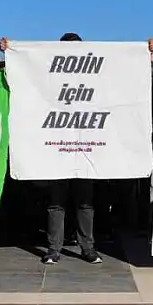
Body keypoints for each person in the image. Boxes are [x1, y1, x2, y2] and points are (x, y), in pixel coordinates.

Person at [42, 33, 101, 264]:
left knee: (85, 203)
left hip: (85, 150)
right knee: (56, 203)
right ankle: (53, 249)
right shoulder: (51, 75)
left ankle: (88, 248)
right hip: (58, 149)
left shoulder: (92, 76)